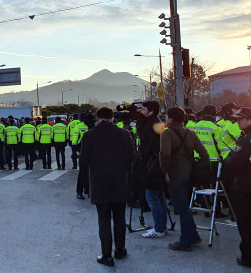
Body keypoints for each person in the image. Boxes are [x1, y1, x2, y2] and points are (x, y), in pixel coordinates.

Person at [80, 107, 134, 267]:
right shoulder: (124, 134)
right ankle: (120, 250)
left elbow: (83, 160)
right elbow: (132, 156)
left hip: (99, 182)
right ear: (112, 118)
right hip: (120, 181)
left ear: (98, 118)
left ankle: (106, 255)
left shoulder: (89, 135)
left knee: (103, 220)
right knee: (119, 217)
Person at [160, 107, 208, 251]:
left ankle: (185, 241)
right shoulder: (190, 132)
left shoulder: (166, 133)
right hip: (188, 173)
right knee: (184, 206)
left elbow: (165, 154)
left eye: (167, 117)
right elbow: (203, 152)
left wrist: (165, 171)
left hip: (175, 174)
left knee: (181, 208)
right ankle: (193, 235)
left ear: (171, 119)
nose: (165, 119)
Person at [223, 107, 251, 268]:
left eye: (241, 118)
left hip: (246, 187)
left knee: (247, 224)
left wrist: (230, 157)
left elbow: (234, 163)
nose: (238, 121)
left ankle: (248, 258)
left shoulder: (246, 139)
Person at [135, 101, 167, 238]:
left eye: (143, 109)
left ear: (152, 111)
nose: (141, 111)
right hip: (154, 162)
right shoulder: (153, 122)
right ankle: (161, 227)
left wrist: (140, 156)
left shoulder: (153, 124)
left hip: (152, 163)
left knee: (152, 197)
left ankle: (159, 229)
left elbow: (151, 145)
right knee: (159, 197)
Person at [194, 105, 227, 218]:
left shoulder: (196, 126)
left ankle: (206, 209)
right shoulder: (215, 127)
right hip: (213, 160)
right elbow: (220, 145)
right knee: (215, 187)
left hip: (198, 159)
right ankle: (216, 210)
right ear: (214, 113)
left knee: (204, 185)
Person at [76, 113, 94, 199]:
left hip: (93, 151)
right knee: (83, 172)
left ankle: (88, 189)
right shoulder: (79, 126)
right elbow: (75, 138)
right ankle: (79, 191)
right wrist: (74, 150)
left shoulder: (95, 126)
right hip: (82, 149)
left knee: (92, 172)